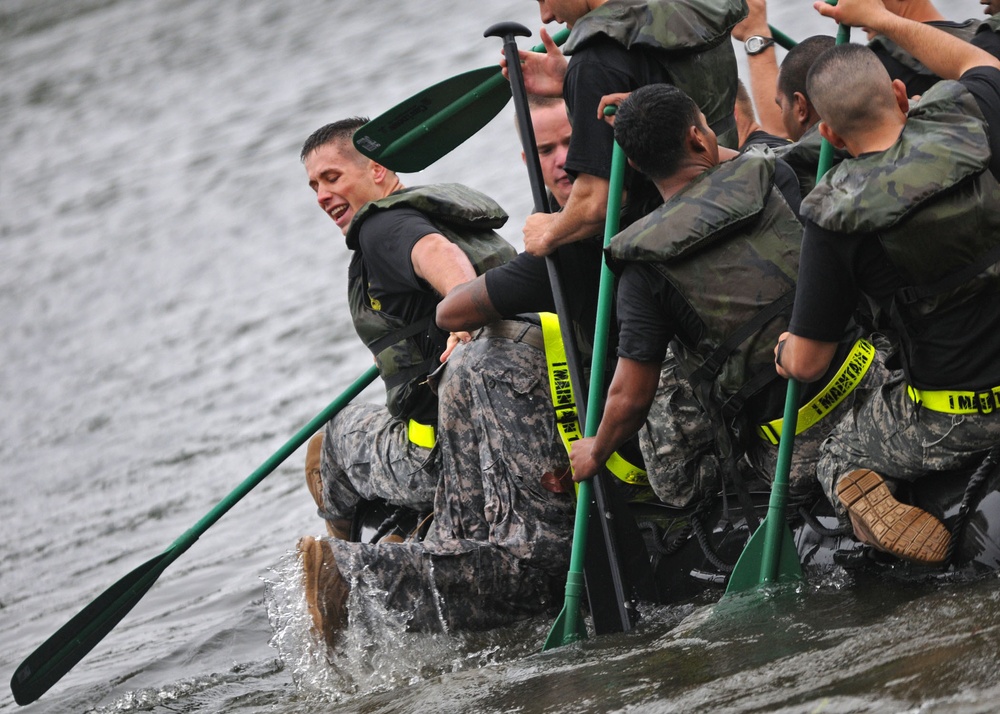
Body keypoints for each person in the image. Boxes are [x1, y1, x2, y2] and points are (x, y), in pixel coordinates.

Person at [297, 118, 575, 643]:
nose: (323, 194)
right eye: (314, 186)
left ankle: (345, 562)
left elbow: (439, 259)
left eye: (332, 177)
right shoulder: (451, 216)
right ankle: (402, 529)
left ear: (378, 171)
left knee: (331, 440)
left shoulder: (382, 228)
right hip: (545, 397)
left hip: (454, 438)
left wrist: (464, 310)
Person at [567, 83, 887, 515]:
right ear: (699, 137)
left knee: (668, 382)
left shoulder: (640, 269)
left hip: (792, 446)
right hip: (871, 382)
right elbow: (742, 163)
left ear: (636, 165)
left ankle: (836, 484)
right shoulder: (775, 177)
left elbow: (630, 397)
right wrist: (672, 123)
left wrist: (596, 451)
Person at [776, 0, 1000, 565]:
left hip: (962, 413)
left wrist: (784, 351)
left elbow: (806, 364)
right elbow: (977, 60)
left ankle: (889, 521)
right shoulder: (973, 114)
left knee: (836, 455)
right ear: (902, 94)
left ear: (827, 132)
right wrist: (881, 18)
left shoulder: (832, 215)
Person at [513, 0, 744, 258]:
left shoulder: (596, 60)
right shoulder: (689, 7)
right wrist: (574, 85)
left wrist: (548, 231)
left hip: (681, 243)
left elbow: (597, 204)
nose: (545, 15)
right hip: (740, 191)